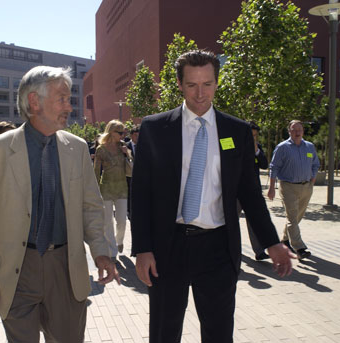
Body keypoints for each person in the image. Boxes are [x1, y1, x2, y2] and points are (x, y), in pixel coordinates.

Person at [130, 50, 294, 343]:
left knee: (219, 334)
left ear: (217, 83)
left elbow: (251, 195)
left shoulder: (237, 131)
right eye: (192, 84)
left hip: (218, 248)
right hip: (168, 247)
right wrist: (143, 249)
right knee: (164, 334)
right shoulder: (156, 129)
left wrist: (272, 242)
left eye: (207, 84)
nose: (200, 93)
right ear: (179, 84)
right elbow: (141, 194)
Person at [0, 66, 119, 343]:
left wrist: (101, 252)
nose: (69, 107)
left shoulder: (78, 148)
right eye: (62, 98)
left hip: (66, 268)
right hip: (16, 272)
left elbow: (91, 207)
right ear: (34, 102)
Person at [268, 120, 320, 260]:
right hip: (288, 186)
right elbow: (274, 167)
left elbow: (316, 164)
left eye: (299, 130)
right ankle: (300, 248)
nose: (297, 132)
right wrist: (271, 188)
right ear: (289, 131)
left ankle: (285, 240)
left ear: (303, 131)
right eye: (294, 130)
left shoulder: (309, 147)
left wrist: (312, 180)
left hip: (306, 187)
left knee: (297, 218)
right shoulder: (282, 147)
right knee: (292, 217)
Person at [94, 120, 133, 256]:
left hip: (122, 188)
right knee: (107, 223)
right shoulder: (101, 149)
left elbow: (132, 169)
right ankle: (112, 252)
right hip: (106, 188)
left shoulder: (123, 146)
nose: (123, 135)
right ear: (111, 132)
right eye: (120, 132)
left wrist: (127, 153)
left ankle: (119, 241)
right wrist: (94, 191)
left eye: (124, 132)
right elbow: (96, 171)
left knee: (122, 221)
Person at [237, 121, 269, 261]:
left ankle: (259, 251)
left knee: (254, 221)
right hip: (235, 191)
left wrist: (256, 151)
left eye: (255, 136)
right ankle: (232, 249)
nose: (253, 138)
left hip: (252, 191)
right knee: (231, 222)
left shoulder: (258, 148)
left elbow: (264, 165)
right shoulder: (234, 146)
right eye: (251, 135)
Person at [126, 125, 140, 219]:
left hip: (140, 176)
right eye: (135, 135)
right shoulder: (125, 146)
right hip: (128, 176)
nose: (138, 137)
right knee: (129, 194)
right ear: (131, 135)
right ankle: (130, 213)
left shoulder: (144, 145)